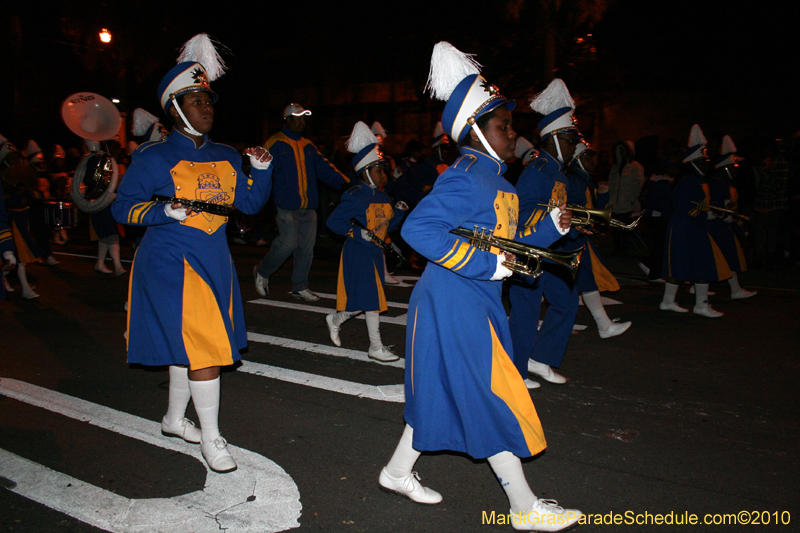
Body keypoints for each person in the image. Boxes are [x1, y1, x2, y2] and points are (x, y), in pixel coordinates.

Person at [379, 42, 581, 532]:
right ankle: (523, 507)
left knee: (442, 392)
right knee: (493, 394)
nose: (514, 134)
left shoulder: (504, 185)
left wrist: (548, 229)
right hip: (452, 302)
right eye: (503, 126)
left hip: (473, 300)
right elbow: (417, 230)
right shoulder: (467, 177)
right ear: (474, 132)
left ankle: (396, 471)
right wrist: (485, 266)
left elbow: (507, 250)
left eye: (510, 125)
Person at [112, 34, 273, 473]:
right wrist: (163, 210)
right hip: (170, 264)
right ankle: (213, 438)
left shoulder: (225, 154)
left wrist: (260, 171)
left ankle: (171, 420)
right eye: (197, 100)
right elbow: (123, 207)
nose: (208, 108)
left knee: (189, 347)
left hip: (213, 262)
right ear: (176, 109)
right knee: (204, 348)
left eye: (209, 100)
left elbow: (252, 205)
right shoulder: (153, 157)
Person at [508, 78, 582, 387]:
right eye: (568, 138)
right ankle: (514, 370)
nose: (572, 144)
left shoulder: (556, 172)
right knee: (525, 311)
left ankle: (540, 358)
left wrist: (573, 226)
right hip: (531, 249)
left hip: (552, 249)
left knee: (566, 301)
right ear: (551, 138)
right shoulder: (537, 170)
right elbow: (518, 212)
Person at [324, 122, 408, 362]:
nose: (385, 175)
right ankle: (375, 346)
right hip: (357, 252)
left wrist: (399, 213)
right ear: (366, 171)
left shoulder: (382, 196)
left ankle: (336, 319)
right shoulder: (354, 196)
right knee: (371, 299)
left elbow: (386, 229)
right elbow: (333, 222)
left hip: (373, 253)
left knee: (365, 299)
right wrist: (355, 233)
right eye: (380, 170)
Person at [254, 103, 349, 301]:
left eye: (304, 118)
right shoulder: (275, 143)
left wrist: (346, 182)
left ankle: (300, 286)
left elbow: (324, 168)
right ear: (287, 120)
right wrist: (257, 198)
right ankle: (262, 271)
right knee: (287, 244)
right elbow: (260, 172)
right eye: (298, 117)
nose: (302, 121)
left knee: (306, 250)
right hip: (286, 206)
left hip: (309, 206)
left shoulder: (308, 145)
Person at [659, 124, 731, 317]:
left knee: (692, 263)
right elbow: (682, 205)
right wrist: (705, 215)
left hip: (693, 226)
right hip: (685, 226)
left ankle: (671, 301)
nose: (706, 164)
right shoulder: (689, 180)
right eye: (702, 161)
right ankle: (698, 304)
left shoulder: (697, 180)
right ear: (694, 163)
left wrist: (710, 212)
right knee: (696, 263)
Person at [567, 140, 631, 338]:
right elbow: (579, 212)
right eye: (588, 158)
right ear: (577, 160)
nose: (593, 162)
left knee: (584, 282)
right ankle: (604, 326)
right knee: (586, 282)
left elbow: (593, 211)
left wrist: (602, 196)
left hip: (580, 237)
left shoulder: (583, 180)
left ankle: (601, 324)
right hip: (574, 239)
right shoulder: (576, 182)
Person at [706, 135, 756, 299]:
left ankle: (733, 289)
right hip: (717, 225)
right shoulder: (718, 181)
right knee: (725, 256)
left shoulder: (726, 182)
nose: (736, 169)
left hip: (724, 224)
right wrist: (725, 209)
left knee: (725, 257)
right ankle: (734, 290)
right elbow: (712, 203)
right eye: (733, 166)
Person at [607, 140, 645, 256]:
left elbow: (638, 186)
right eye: (618, 150)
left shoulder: (635, 167)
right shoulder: (615, 167)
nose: (620, 153)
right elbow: (611, 185)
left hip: (627, 204)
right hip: (614, 204)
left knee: (625, 229)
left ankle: (624, 250)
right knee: (616, 229)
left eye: (623, 150)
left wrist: (634, 203)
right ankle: (618, 249)